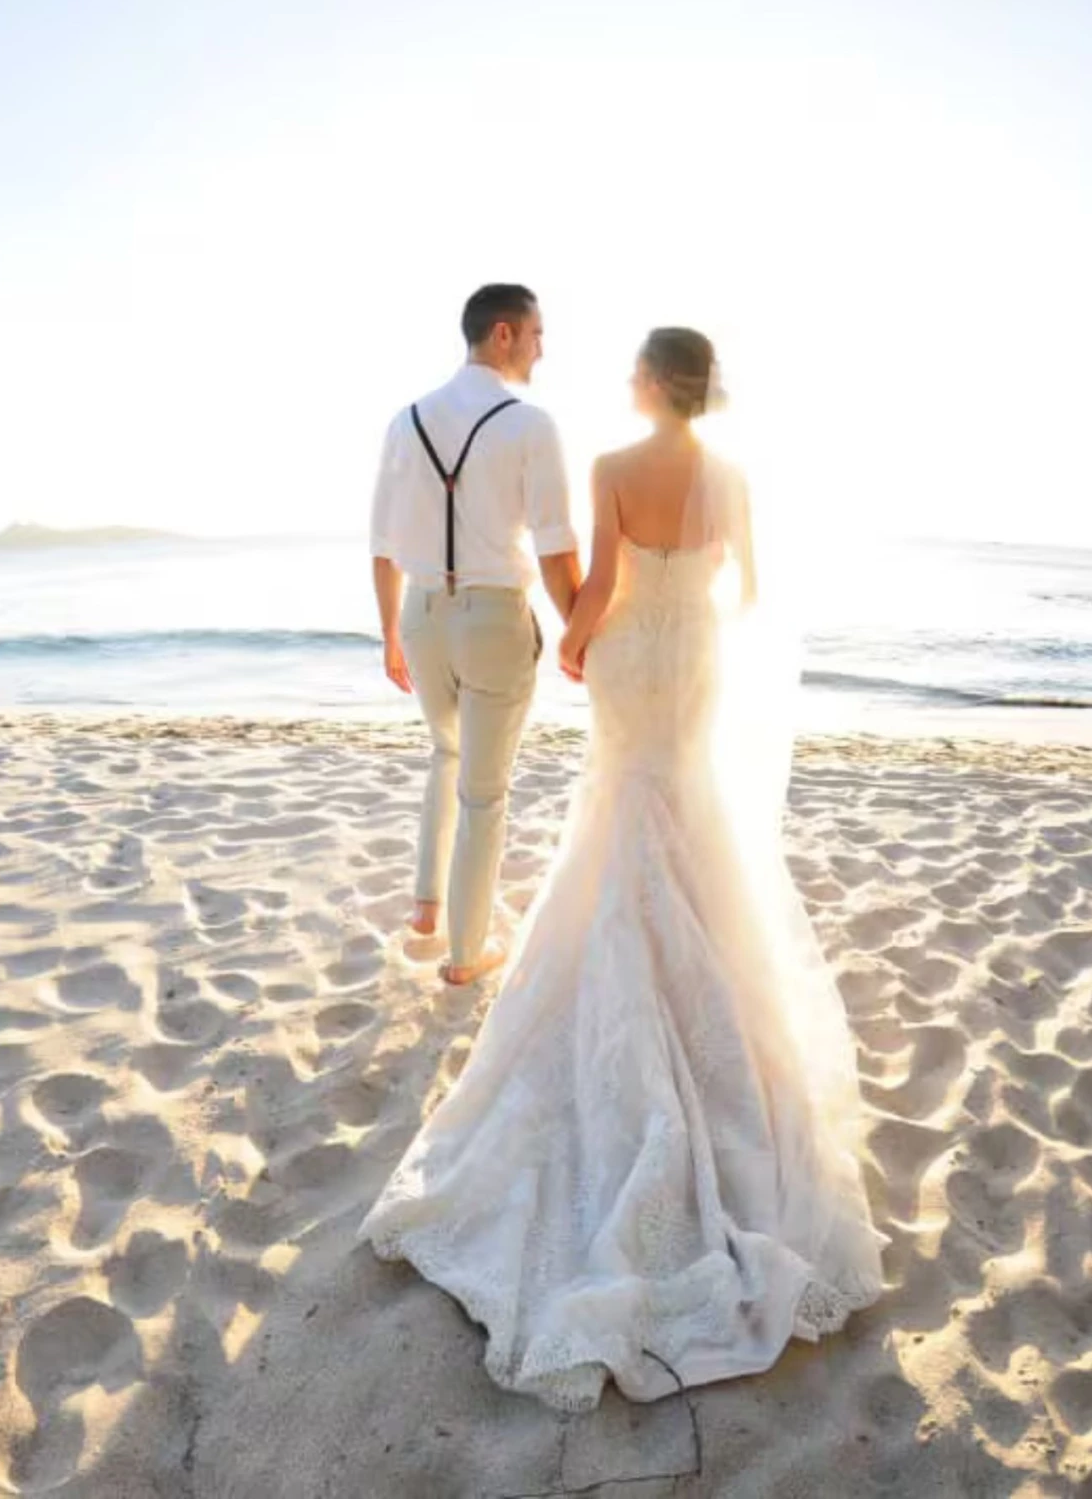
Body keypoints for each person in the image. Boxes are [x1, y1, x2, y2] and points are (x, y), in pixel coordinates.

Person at [359, 328, 887, 1411]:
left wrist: (576, 644)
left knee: (618, 808)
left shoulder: (607, 468)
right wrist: (686, 616)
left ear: (649, 382)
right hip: (691, 660)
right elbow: (749, 593)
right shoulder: (733, 476)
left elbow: (595, 587)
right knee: (683, 808)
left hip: (631, 657)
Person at [367, 283, 581, 984]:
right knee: (484, 793)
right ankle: (465, 956)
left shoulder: (406, 421)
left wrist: (390, 634)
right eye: (537, 333)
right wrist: (580, 628)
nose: (543, 348)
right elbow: (554, 549)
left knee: (444, 751)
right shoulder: (531, 424)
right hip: (492, 615)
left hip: (422, 614)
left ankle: (428, 906)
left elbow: (381, 542)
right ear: (503, 334)